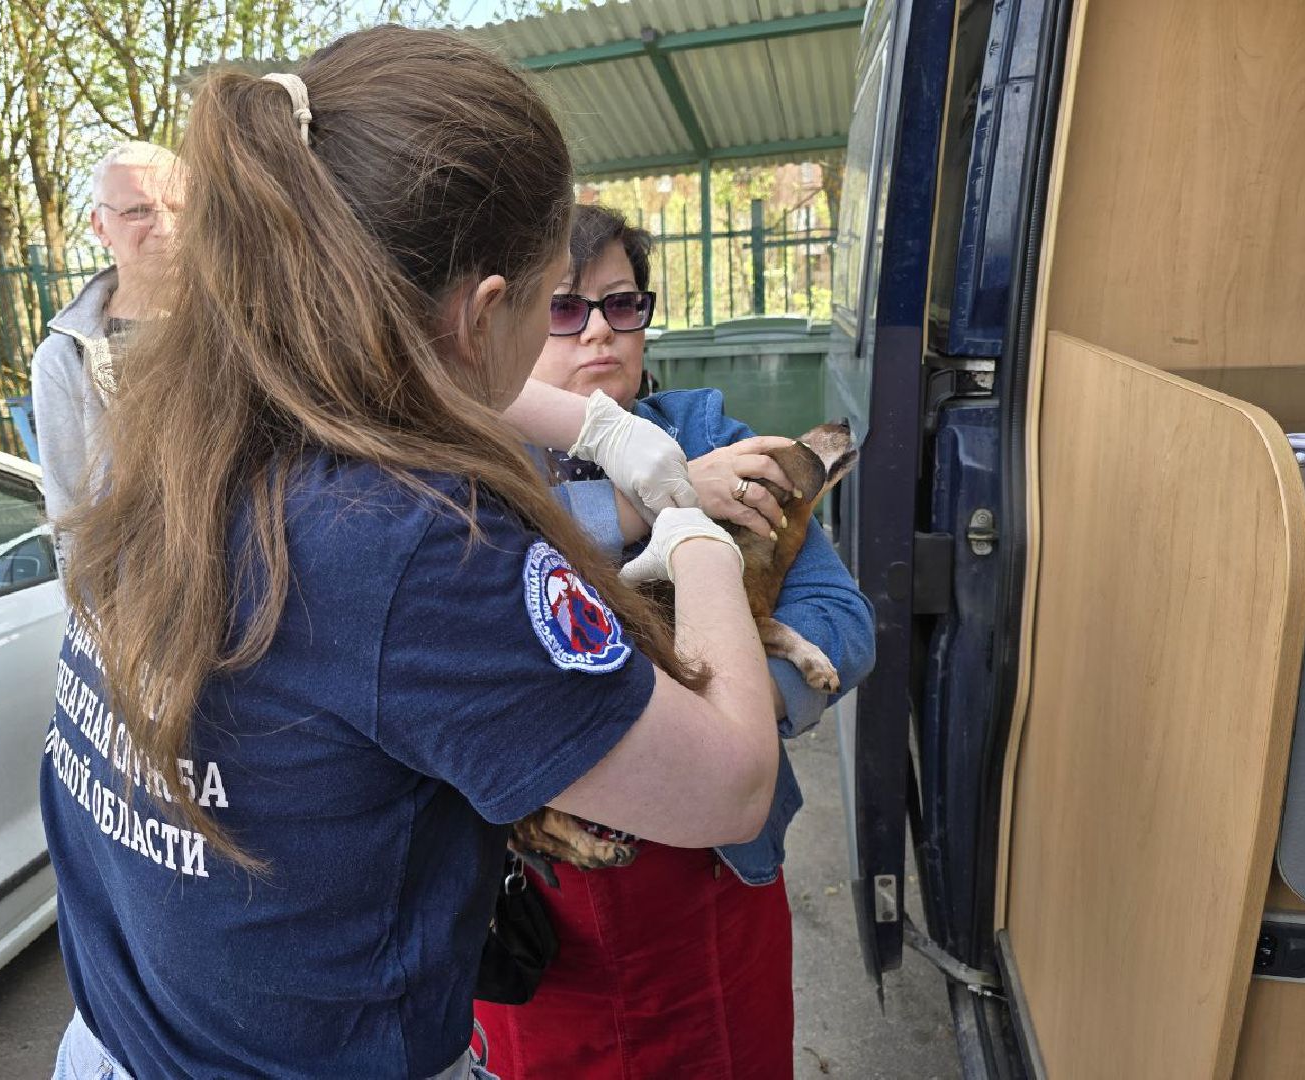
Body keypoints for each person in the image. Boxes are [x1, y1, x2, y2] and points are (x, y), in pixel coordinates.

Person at [43, 28, 783, 1080]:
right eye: (546, 303)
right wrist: (697, 538)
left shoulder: (184, 426)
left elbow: (416, 356)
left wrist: (601, 432)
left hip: (120, 1041)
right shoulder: (408, 547)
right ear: (485, 311)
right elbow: (732, 784)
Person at [476, 205, 877, 1079]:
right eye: (563, 308)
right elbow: (486, 587)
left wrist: (702, 727)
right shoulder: (473, 463)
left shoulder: (704, 430)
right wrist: (663, 501)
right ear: (504, 318)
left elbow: (842, 625)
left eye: (622, 305)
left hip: (713, 879)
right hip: (544, 918)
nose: (599, 335)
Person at [30, 140, 183, 564]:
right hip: (149, 599)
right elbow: (72, 518)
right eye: (138, 211)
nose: (167, 228)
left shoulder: (246, 327)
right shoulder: (64, 359)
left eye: (183, 208)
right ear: (100, 227)